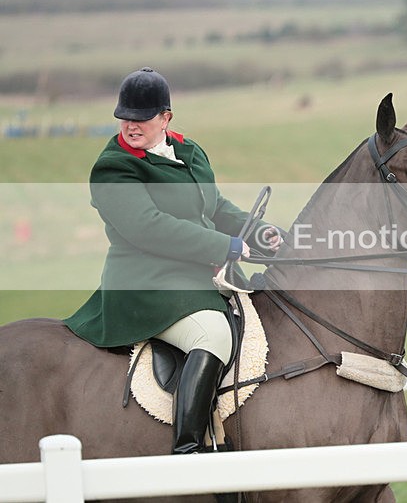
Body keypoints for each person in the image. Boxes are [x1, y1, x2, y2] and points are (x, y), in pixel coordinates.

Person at [64, 67, 281, 457]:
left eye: (141, 118)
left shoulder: (188, 151)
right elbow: (150, 227)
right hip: (147, 283)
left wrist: (260, 233)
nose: (131, 126)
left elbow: (214, 207)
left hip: (196, 276)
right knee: (212, 335)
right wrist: (225, 246)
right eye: (124, 117)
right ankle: (188, 450)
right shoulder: (114, 167)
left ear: (165, 118)